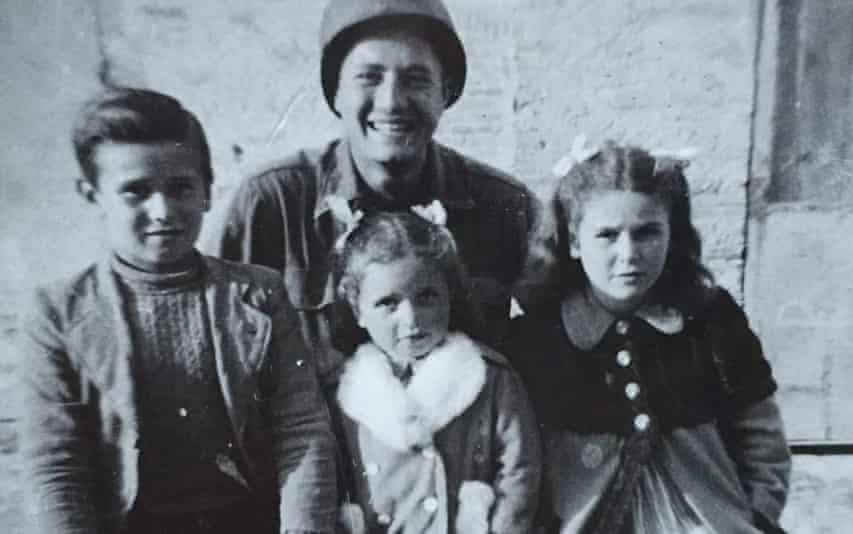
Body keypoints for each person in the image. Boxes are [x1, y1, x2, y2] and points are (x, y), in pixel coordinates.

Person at [19, 87, 338, 534]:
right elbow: (56, 469)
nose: (162, 210)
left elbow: (301, 429)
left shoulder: (259, 294)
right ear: (92, 195)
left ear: (207, 189)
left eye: (180, 188)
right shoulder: (56, 315)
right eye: (136, 192)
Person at [210, 0, 537, 384]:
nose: (392, 102)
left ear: (445, 93)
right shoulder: (270, 204)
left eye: (417, 79)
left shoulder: (503, 207)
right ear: (335, 94)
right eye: (369, 77)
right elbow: (211, 346)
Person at [508, 140, 791, 534]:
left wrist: (758, 513)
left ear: (672, 235)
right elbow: (516, 452)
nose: (629, 254)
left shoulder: (709, 320)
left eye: (647, 233)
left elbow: (759, 431)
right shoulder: (540, 336)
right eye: (607, 235)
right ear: (573, 241)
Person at [329, 205, 541, 533]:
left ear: (449, 296)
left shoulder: (488, 376)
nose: (411, 320)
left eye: (426, 297)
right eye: (388, 303)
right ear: (357, 308)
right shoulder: (347, 391)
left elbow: (519, 471)